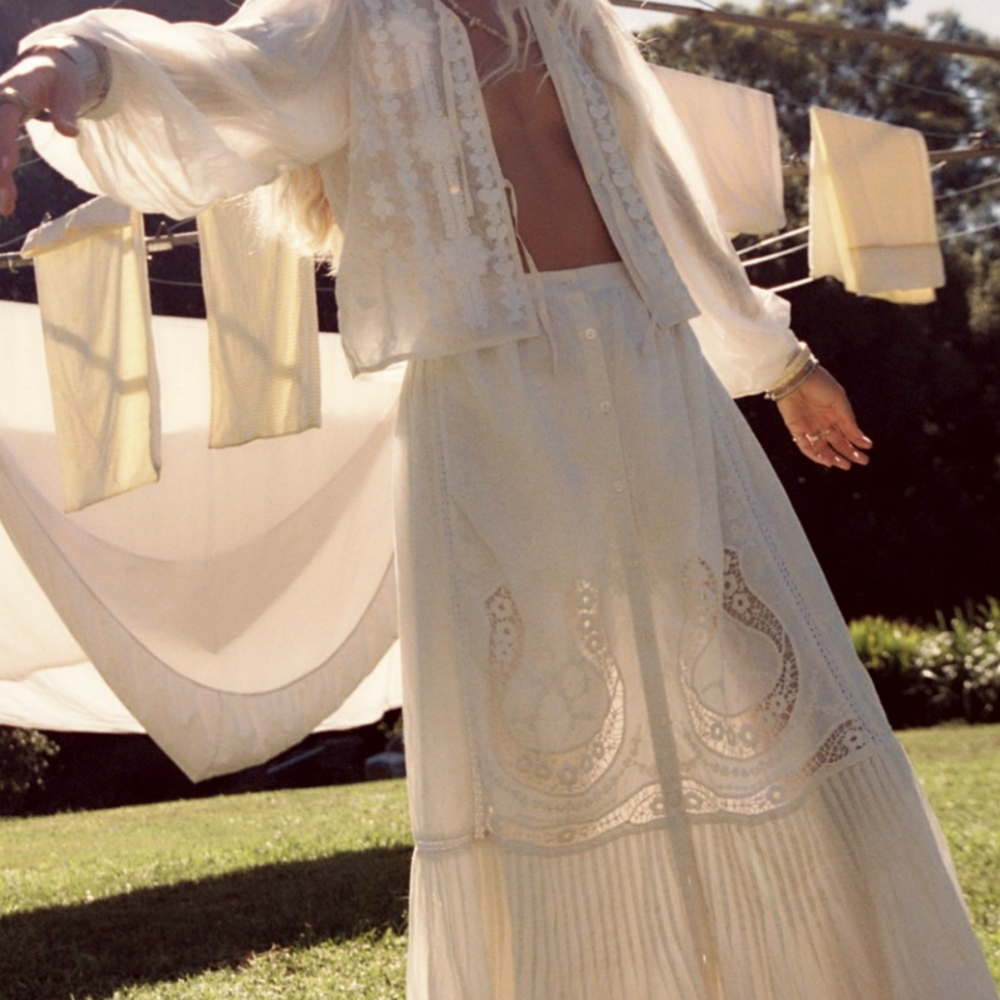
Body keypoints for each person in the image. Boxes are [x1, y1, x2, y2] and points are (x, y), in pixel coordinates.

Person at [0, 1, 996, 998]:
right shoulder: (355, 24)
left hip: (649, 362)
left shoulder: (569, 18)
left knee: (767, 677)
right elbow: (212, 72)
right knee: (549, 727)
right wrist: (51, 71)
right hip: (488, 391)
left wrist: (778, 363)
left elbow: (661, 202)